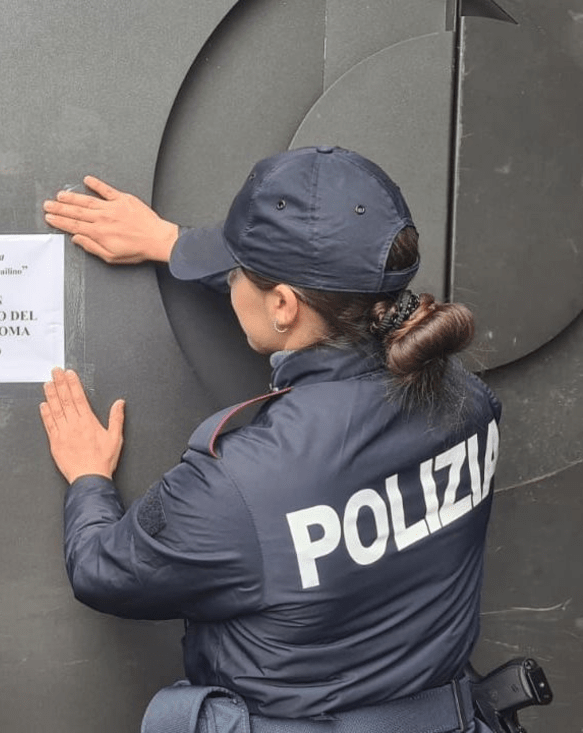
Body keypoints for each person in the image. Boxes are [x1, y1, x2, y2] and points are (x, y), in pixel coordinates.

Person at [39, 146, 500, 732]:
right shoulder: (468, 399)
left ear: (282, 303)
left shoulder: (237, 483)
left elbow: (103, 570)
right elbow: (342, 311)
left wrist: (88, 479)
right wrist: (172, 244)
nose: (232, 282)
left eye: (237, 272)